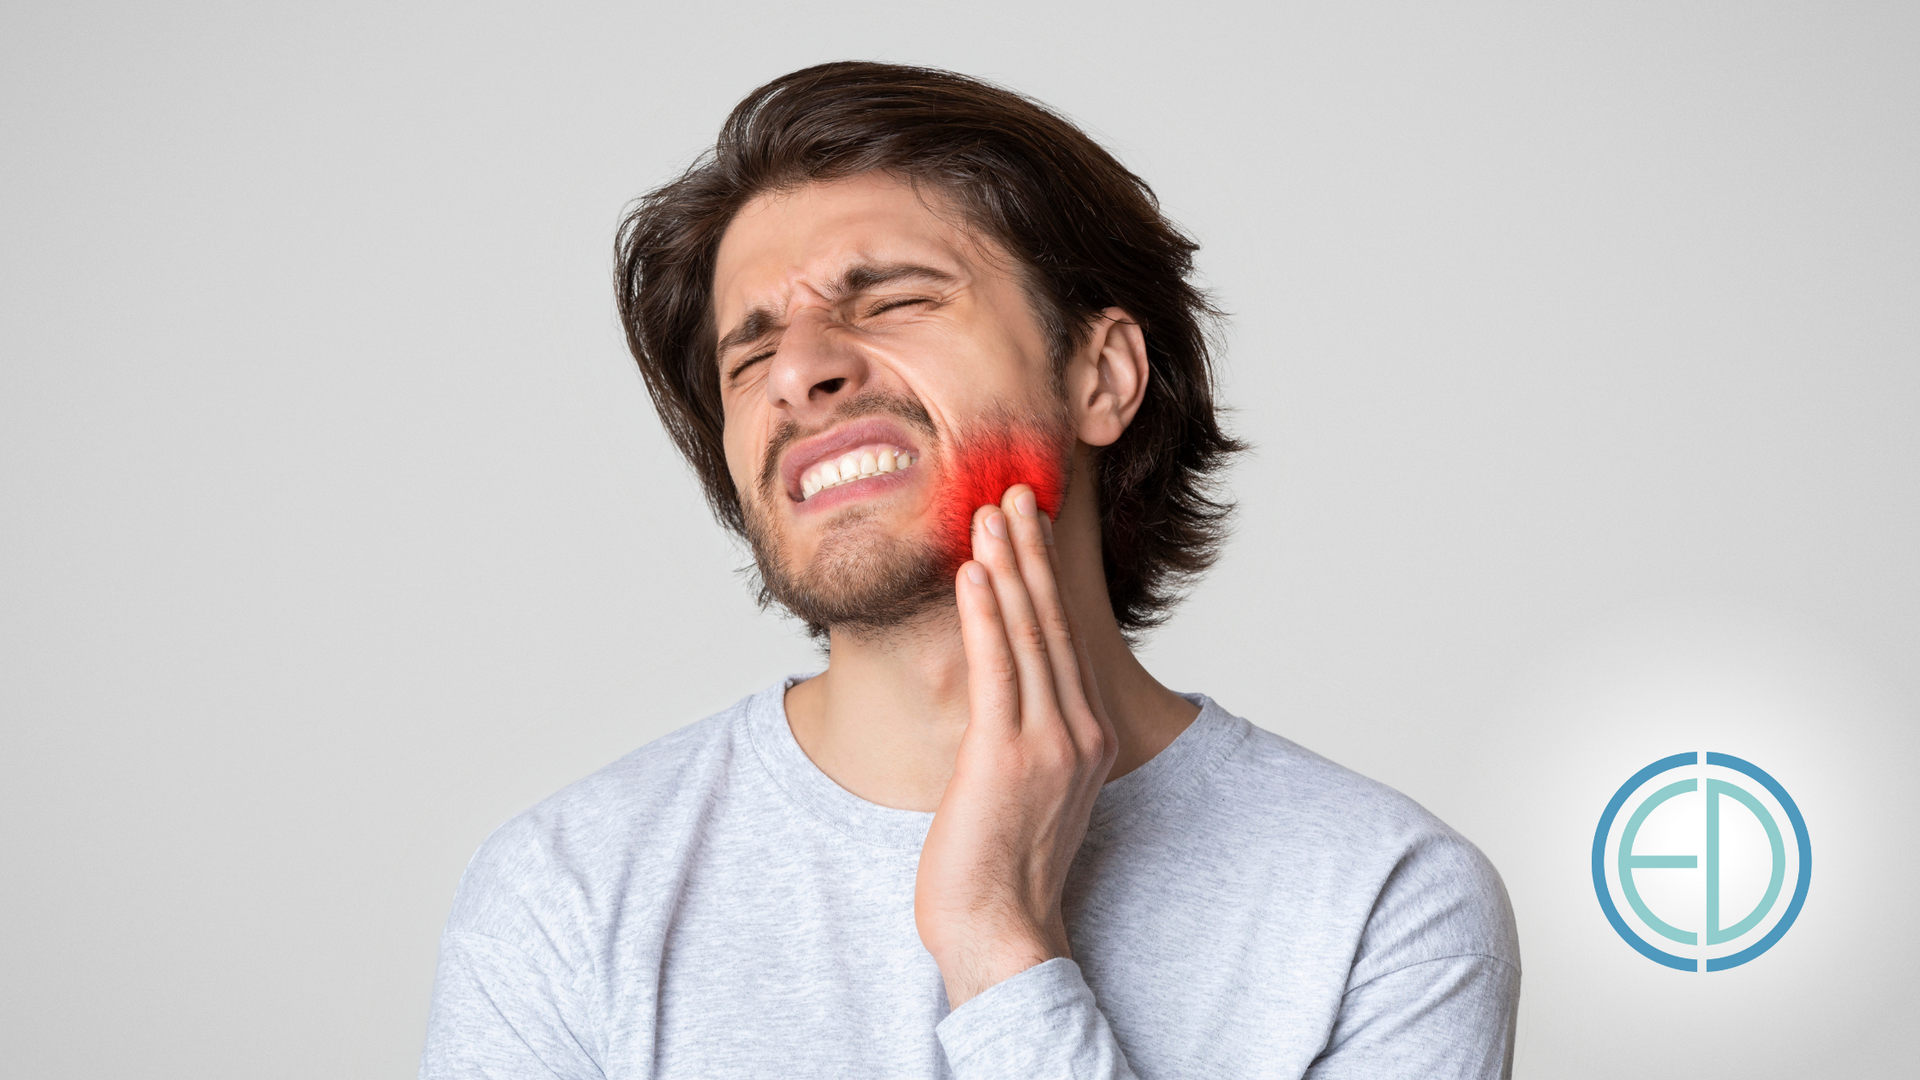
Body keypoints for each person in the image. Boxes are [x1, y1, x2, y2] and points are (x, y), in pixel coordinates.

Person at [420, 61, 1520, 1079]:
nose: (799, 371)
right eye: (749, 353)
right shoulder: (564, 893)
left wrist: (999, 946)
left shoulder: (1380, 901)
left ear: (1103, 376)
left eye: (893, 299)